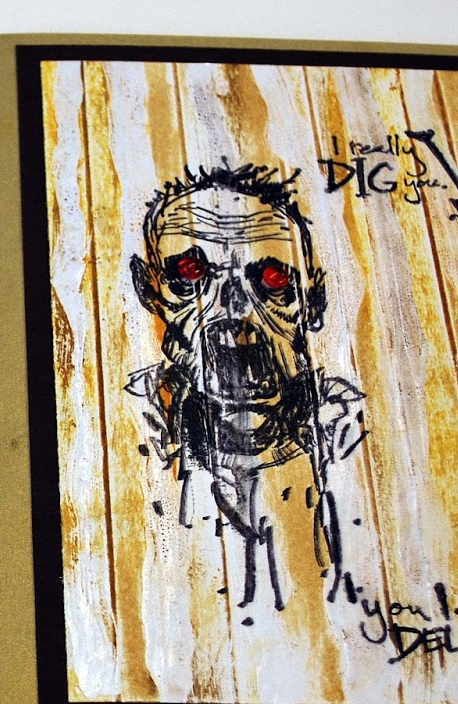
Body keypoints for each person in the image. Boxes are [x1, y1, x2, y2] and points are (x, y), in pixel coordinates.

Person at [126, 163, 363, 610]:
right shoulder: (128, 434)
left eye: (273, 282)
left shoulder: (353, 436)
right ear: (149, 290)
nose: (234, 320)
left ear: (313, 301)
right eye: (191, 277)